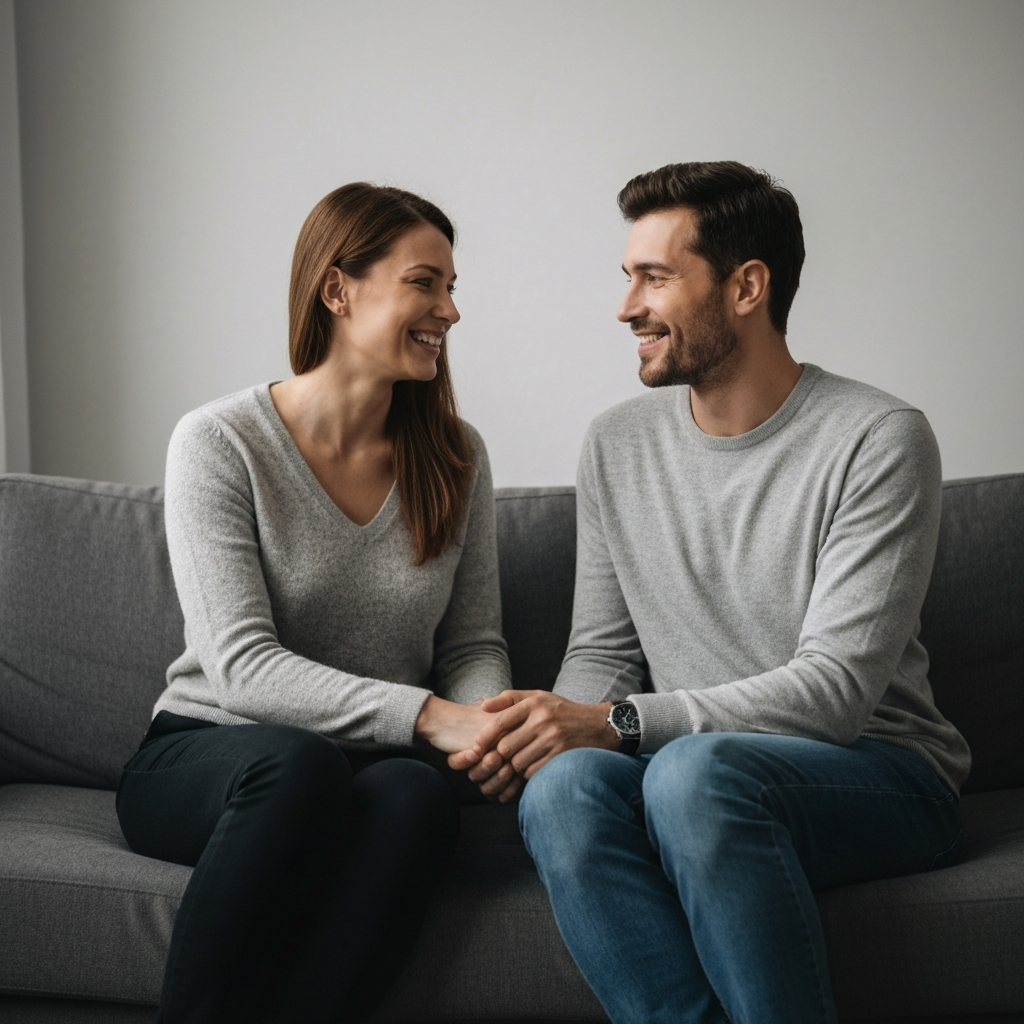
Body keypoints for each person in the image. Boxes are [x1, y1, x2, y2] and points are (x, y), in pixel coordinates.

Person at [451, 161, 971, 1023]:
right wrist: (552, 734)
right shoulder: (617, 443)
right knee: (564, 792)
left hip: (879, 773)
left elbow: (838, 694)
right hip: (686, 777)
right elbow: (605, 653)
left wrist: (614, 723)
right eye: (628, 278)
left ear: (746, 287)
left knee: (691, 775)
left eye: (654, 278)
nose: (626, 309)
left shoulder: (879, 439)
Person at [115, 183, 511, 1024]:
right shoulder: (220, 442)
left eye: (451, 287)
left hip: (365, 770)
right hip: (214, 755)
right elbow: (241, 668)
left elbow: (472, 643)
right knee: (299, 765)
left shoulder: (456, 457)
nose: (450, 310)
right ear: (339, 290)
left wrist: (492, 726)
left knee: (415, 798)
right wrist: (437, 718)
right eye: (425, 283)